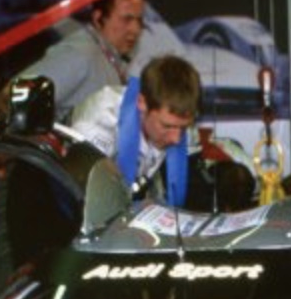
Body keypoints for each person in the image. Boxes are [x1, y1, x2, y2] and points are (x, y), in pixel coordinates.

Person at [70, 54, 201, 203]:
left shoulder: (180, 121)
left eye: (183, 128)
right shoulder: (99, 122)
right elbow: (82, 196)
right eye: (167, 126)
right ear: (142, 103)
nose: (176, 139)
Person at [24, 0, 150, 120]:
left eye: (139, 20)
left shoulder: (107, 59)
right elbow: (21, 97)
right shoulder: (82, 53)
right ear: (98, 18)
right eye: (126, 19)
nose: (135, 29)